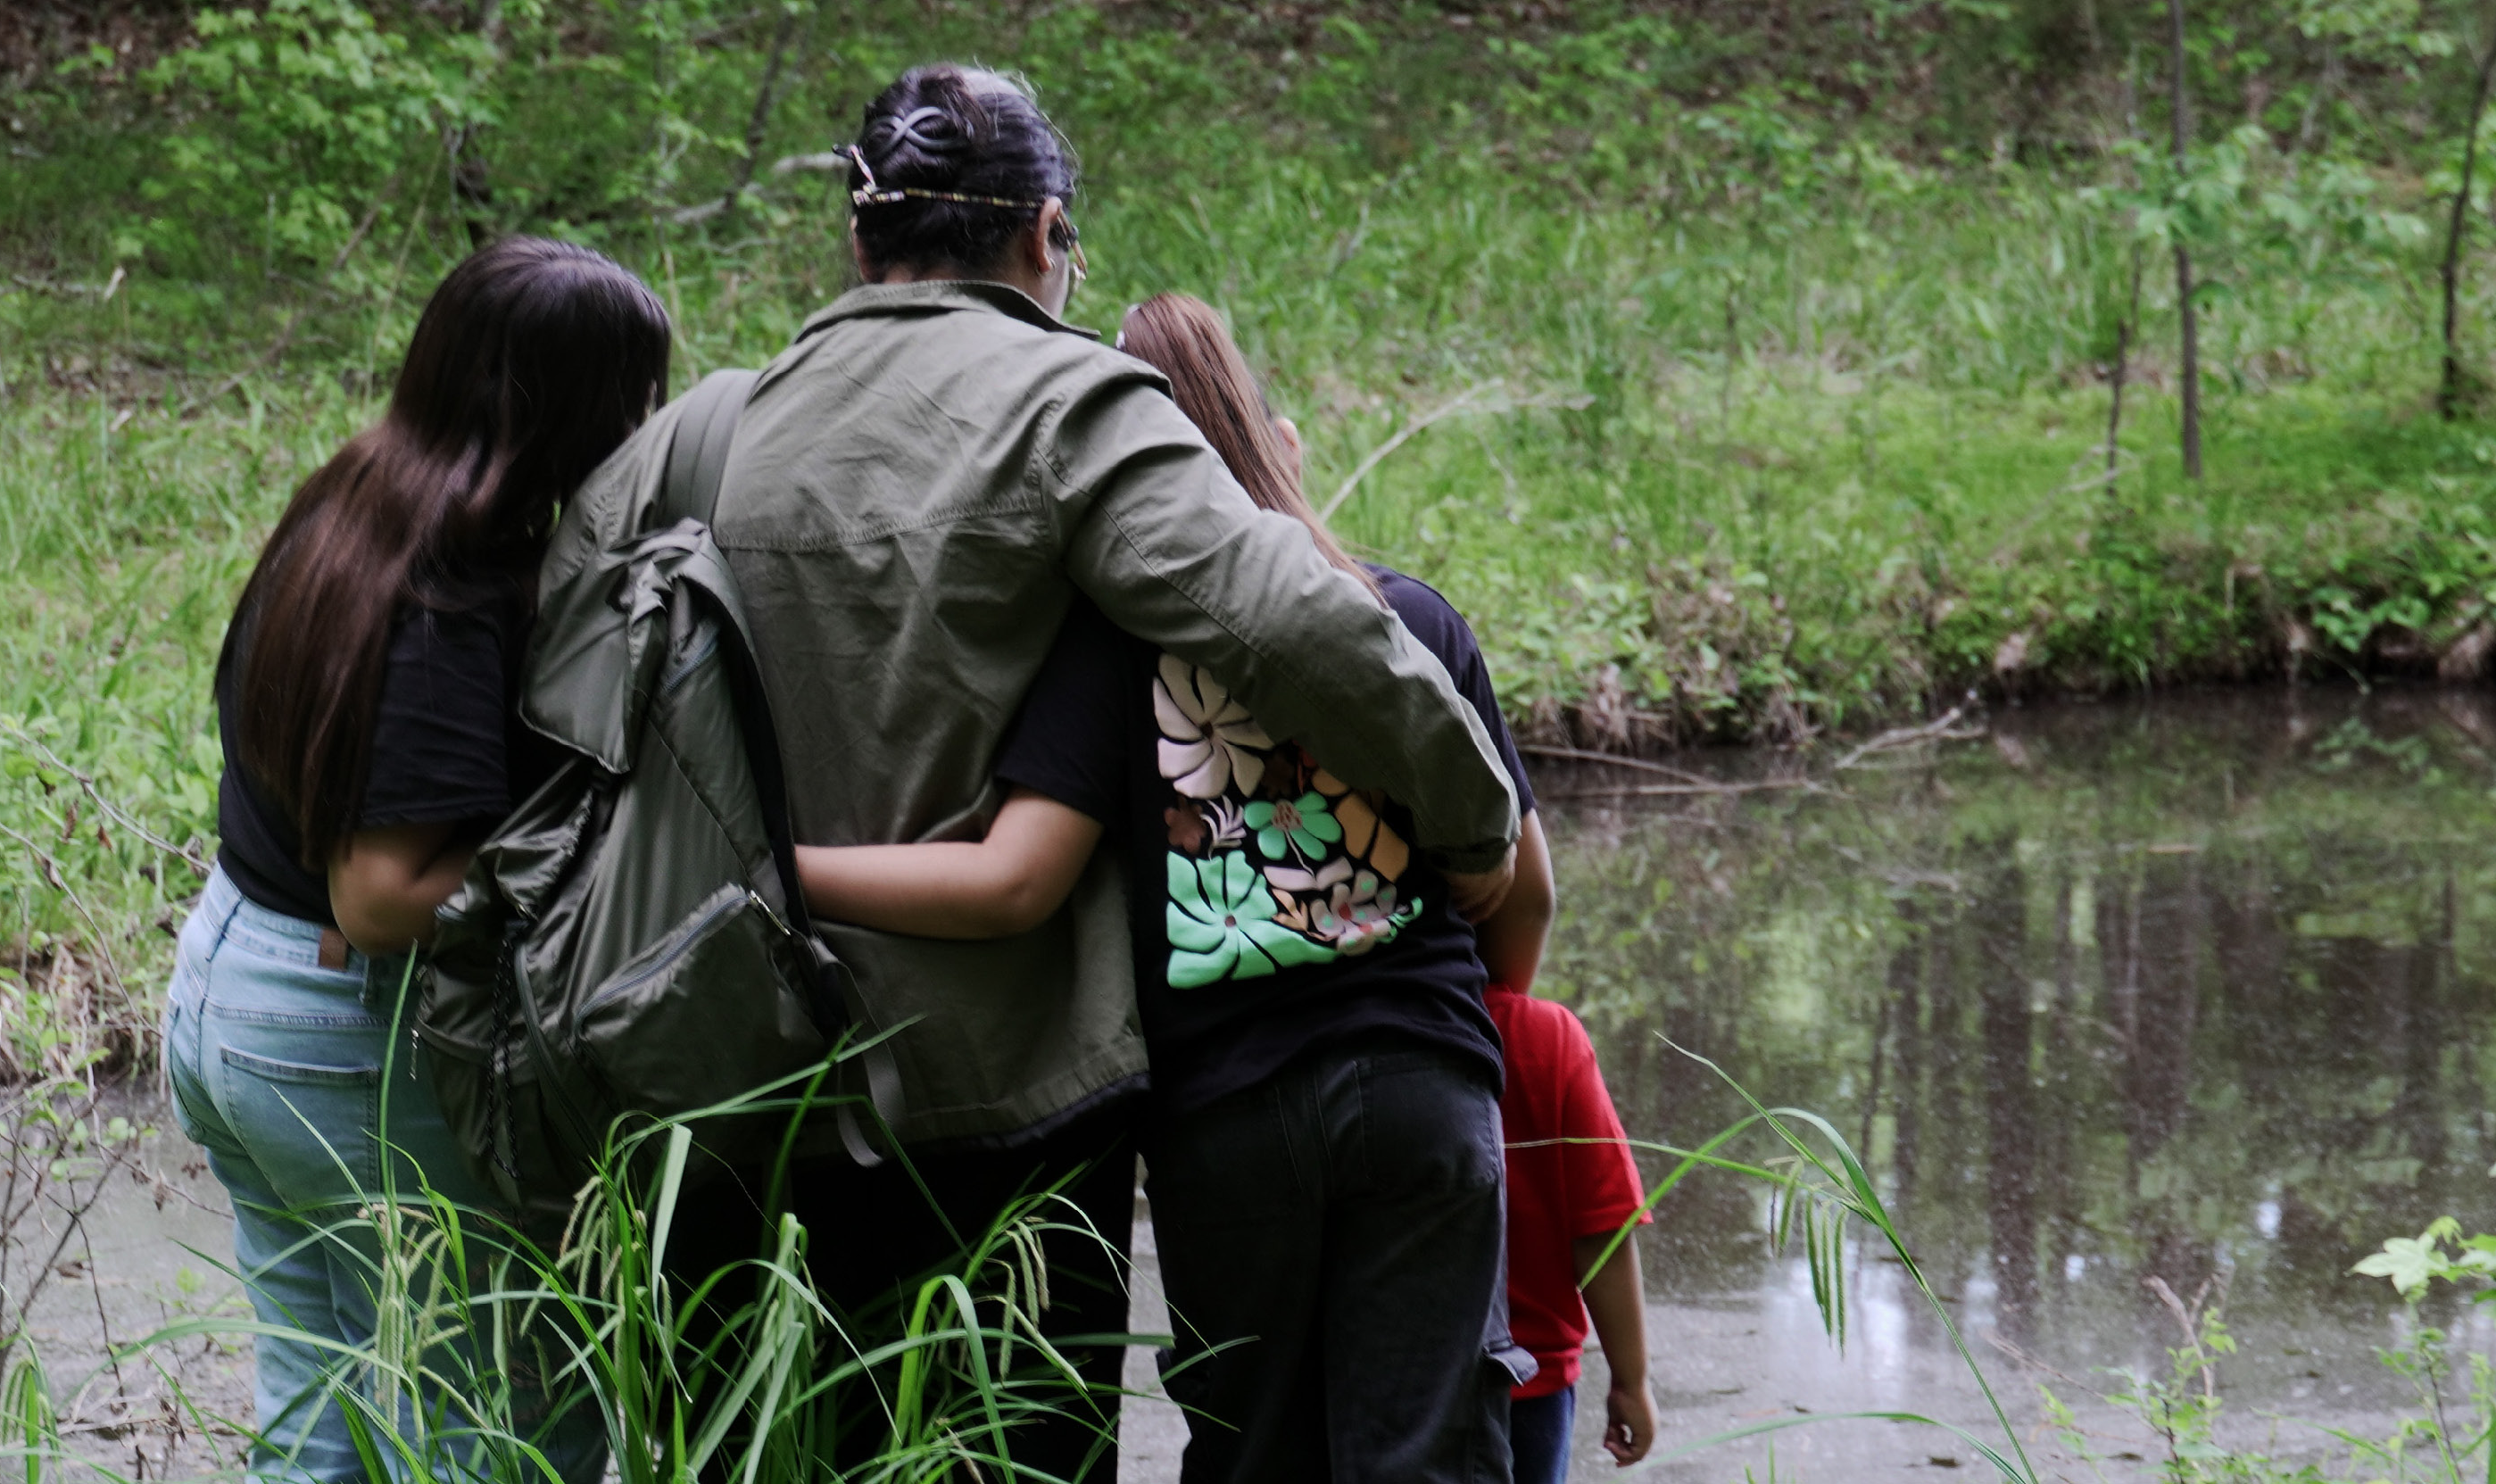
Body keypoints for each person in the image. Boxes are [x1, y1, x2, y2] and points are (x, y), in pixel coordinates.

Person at [537, 64, 1528, 1480]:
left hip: (732, 1085)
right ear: (1042, 234)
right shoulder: (1071, 408)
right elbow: (1296, 619)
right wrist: (1472, 815)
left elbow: (561, 689)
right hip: (999, 1109)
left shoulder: (699, 432)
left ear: (858, 239)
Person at [794, 291, 1548, 1482]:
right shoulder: (1402, 616)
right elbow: (1520, 889)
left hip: (1225, 1111)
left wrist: (775, 867)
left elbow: (1009, 881)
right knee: (1428, 1454)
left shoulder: (1109, 651)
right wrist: (1459, 1013)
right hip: (1417, 1078)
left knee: (1254, 1454)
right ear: (1269, 433)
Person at [164, 236, 669, 1483]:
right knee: (512, 1427)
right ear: (572, 409)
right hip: (344, 1031)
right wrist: (604, 862)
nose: (650, 422)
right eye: (636, 395)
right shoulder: (445, 590)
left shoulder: (359, 492)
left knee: (322, 1423)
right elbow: (379, 894)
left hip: (234, 991)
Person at [1487, 970, 1657, 1482]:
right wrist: (1631, 1380)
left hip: (1371, 1379)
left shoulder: (1334, 1028)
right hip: (1525, 1382)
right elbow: (1602, 1228)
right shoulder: (1542, 1035)